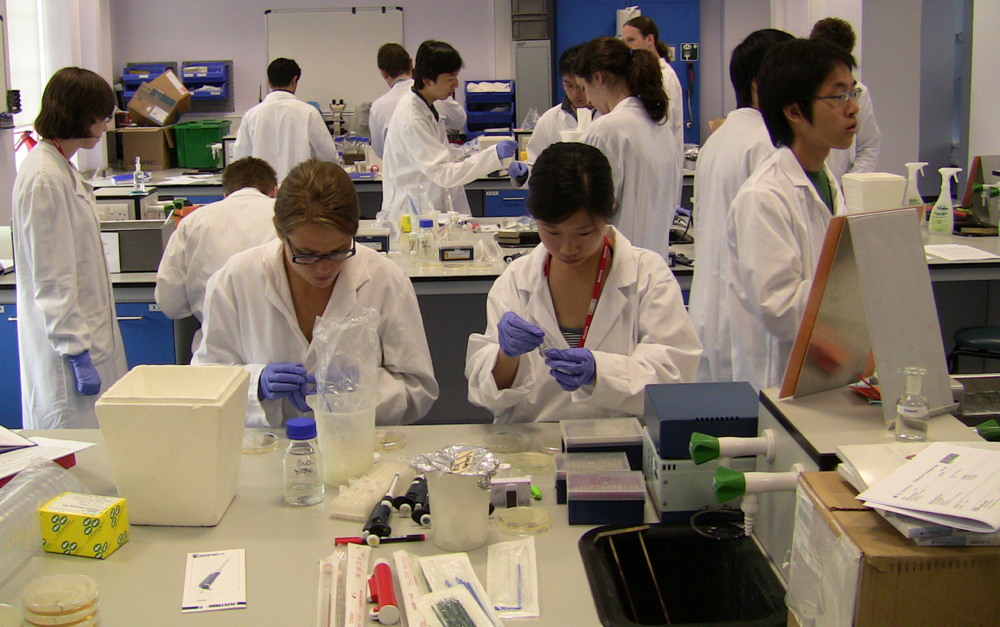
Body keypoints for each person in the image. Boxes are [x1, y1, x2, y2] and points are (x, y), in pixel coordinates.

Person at [466, 142, 701, 423]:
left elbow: (676, 376)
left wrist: (601, 372)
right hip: (532, 443)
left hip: (620, 440)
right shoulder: (516, 280)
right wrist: (506, 355)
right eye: (552, 232)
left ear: (609, 211)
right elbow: (487, 395)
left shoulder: (648, 276)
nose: (567, 248)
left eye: (584, 232)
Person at [193, 159, 438, 427]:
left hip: (356, 443)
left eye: (338, 251)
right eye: (306, 254)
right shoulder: (235, 279)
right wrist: (255, 384)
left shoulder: (385, 280)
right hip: (266, 446)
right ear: (280, 232)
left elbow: (418, 389)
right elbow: (205, 381)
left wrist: (358, 392)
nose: (323, 269)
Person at [726, 38, 856, 391]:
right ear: (795, 111)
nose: (853, 107)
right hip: (779, 380)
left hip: (824, 368)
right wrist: (859, 285)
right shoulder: (763, 197)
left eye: (852, 92)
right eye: (838, 96)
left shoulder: (825, 179)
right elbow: (779, 308)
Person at [12, 67, 128, 429]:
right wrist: (77, 352)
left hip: (89, 340)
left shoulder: (60, 167)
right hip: (68, 359)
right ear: (80, 115)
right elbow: (53, 278)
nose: (105, 126)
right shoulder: (44, 178)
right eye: (101, 117)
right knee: (74, 450)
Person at [689, 28, 794, 384]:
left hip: (710, 314)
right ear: (759, 83)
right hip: (746, 327)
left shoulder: (718, 139)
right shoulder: (769, 144)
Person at [155, 157, 279, 354]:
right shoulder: (287, 218)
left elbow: (171, 304)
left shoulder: (193, 222)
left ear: (225, 194)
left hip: (216, 351)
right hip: (279, 351)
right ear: (274, 191)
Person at [381, 40, 516, 218]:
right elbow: (443, 173)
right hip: (412, 215)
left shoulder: (428, 105)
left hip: (427, 209)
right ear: (427, 81)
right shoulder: (412, 119)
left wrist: (473, 153)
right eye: (451, 79)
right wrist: (492, 156)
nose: (456, 84)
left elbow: (438, 155)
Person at [574, 36, 680, 261]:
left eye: (584, 88)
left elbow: (585, 209)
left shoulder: (605, 129)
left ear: (598, 77)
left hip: (616, 263)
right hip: (654, 261)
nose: (588, 100)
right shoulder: (660, 126)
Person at [232, 58, 339, 183]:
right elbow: (328, 157)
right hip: (299, 189)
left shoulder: (251, 115)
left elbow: (239, 160)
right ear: (294, 80)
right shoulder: (309, 113)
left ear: (269, 82)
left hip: (264, 189)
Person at [810, 17, 881, 183]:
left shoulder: (859, 92)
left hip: (840, 186)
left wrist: (848, 185)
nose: (853, 108)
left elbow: (869, 146)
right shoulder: (802, 91)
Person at [368, 43, 466, 160]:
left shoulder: (379, 107)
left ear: (383, 72)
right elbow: (460, 121)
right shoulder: (413, 113)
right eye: (450, 79)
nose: (456, 84)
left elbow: (380, 152)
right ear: (411, 64)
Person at [621, 16, 685, 164]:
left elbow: (664, 123)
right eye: (624, 42)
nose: (627, 48)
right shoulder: (640, 74)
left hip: (662, 157)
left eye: (631, 40)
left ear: (649, 39)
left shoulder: (664, 77)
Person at [524, 44, 589, 163]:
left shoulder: (608, 116)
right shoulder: (549, 120)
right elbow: (535, 162)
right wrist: (524, 170)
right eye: (569, 85)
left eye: (581, 87)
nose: (575, 94)